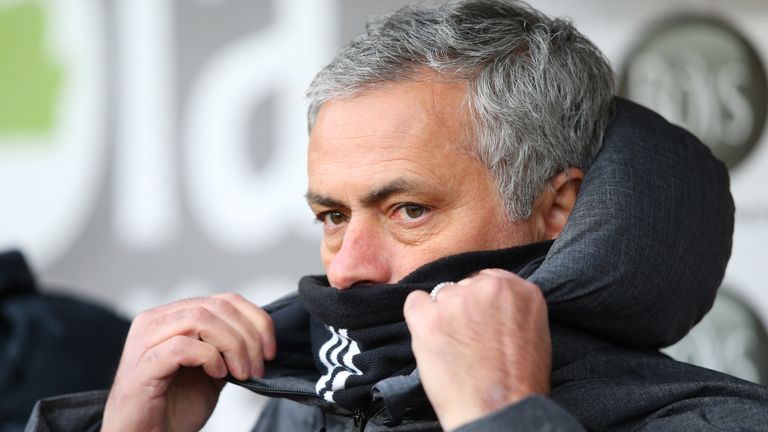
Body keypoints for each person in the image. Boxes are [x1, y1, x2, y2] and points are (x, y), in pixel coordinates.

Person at [25, 1, 768, 431]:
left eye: (408, 210)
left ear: (556, 209)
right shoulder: (302, 404)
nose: (347, 268)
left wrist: (502, 413)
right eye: (331, 215)